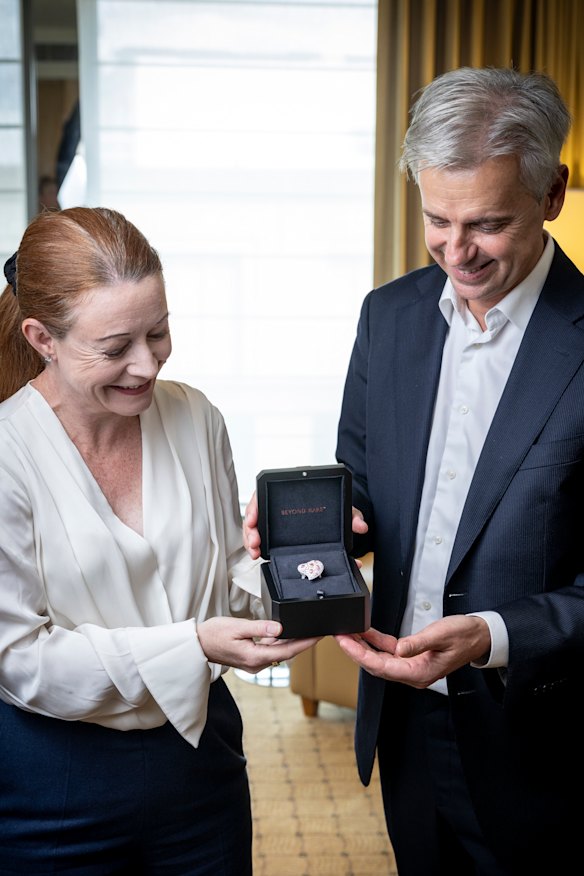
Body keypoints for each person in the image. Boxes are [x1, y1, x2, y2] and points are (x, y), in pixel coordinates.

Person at [244, 67, 584, 874]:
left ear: (553, 195)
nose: (456, 251)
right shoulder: (387, 317)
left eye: (487, 224)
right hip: (405, 724)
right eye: (437, 218)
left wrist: (493, 637)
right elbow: (361, 483)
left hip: (546, 745)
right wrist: (311, 529)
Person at [0, 206, 318, 875]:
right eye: (115, 348)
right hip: (52, 779)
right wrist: (193, 643)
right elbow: (21, 659)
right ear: (41, 337)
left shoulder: (196, 416)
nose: (146, 366)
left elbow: (232, 571)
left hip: (202, 758)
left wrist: (299, 564)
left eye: (160, 332)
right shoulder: (7, 454)